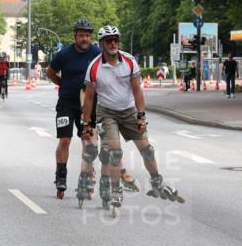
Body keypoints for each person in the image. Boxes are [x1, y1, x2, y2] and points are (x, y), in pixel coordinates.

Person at [82, 25, 183, 214]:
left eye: (116, 40)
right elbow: (88, 98)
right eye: (109, 41)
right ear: (102, 44)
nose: (113, 43)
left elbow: (137, 91)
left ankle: (156, 181)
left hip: (129, 110)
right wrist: (87, 123)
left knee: (147, 150)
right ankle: (116, 191)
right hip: (107, 112)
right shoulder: (94, 67)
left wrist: (141, 116)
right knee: (114, 153)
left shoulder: (129, 61)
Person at [47, 19, 138, 200]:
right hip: (66, 104)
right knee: (65, 140)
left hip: (89, 105)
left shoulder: (97, 53)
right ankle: (61, 177)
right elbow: (50, 72)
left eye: (88, 35)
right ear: (75, 36)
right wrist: (63, 84)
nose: (85, 39)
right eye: (81, 35)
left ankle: (88, 177)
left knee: (88, 141)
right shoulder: (64, 54)